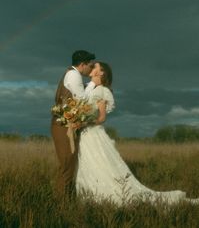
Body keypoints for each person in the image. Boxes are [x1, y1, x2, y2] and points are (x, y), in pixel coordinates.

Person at [76, 62, 199, 206]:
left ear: (101, 73)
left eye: (95, 66)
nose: (91, 68)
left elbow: (102, 117)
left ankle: (105, 195)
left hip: (93, 134)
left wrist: (85, 123)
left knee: (100, 165)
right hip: (83, 134)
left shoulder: (102, 91)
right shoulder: (88, 88)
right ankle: (87, 194)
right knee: (86, 165)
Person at [51, 50, 101, 199]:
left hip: (66, 124)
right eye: (90, 65)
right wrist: (93, 83)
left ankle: (64, 198)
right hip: (63, 125)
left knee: (70, 164)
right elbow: (81, 99)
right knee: (67, 164)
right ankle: (61, 202)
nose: (91, 68)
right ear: (82, 64)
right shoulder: (73, 75)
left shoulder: (74, 75)